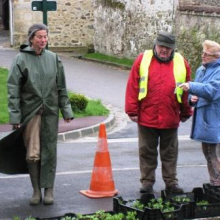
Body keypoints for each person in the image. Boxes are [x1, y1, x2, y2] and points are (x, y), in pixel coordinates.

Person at [6, 23, 74, 205]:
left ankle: (49, 190)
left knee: (50, 152)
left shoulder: (54, 58)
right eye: (39, 37)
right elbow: (13, 89)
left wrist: (66, 110)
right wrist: (15, 116)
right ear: (31, 39)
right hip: (31, 113)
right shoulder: (21, 59)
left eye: (45, 37)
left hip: (50, 113)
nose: (43, 40)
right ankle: (36, 190)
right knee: (33, 153)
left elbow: (61, 87)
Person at [125, 31, 193, 194]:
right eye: (162, 46)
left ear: (173, 49)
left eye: (168, 48)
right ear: (155, 45)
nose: (164, 50)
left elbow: (186, 89)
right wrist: (132, 110)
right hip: (147, 116)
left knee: (169, 152)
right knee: (147, 151)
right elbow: (133, 85)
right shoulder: (143, 59)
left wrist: (185, 111)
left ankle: (171, 182)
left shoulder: (181, 62)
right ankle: (147, 182)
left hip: (170, 116)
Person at [179, 40, 220, 187]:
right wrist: (192, 99)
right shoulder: (201, 70)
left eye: (207, 54)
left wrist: (191, 86)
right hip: (204, 121)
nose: (203, 56)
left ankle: (217, 184)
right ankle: (215, 183)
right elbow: (195, 94)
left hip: (215, 120)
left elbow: (212, 91)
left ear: (216, 56)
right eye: (203, 53)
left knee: (214, 154)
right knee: (208, 154)